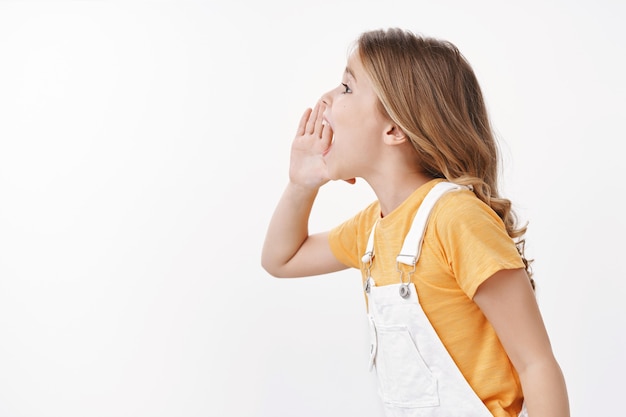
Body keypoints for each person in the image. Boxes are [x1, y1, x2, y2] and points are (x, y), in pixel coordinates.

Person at [261, 28, 569, 417]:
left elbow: (536, 364)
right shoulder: (372, 230)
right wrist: (300, 184)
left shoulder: (456, 218)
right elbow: (281, 259)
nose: (325, 99)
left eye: (346, 88)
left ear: (394, 129)